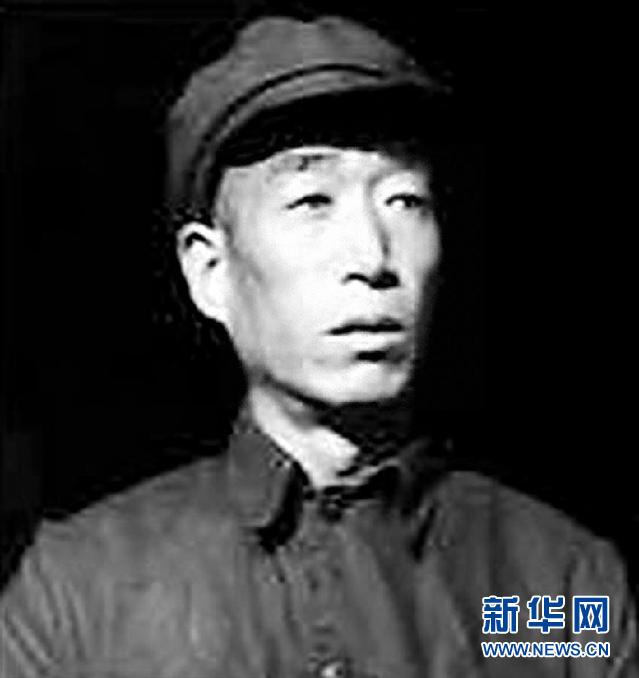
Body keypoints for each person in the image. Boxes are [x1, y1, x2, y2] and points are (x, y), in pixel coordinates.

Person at [0, 14, 636, 678]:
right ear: (211, 272)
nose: (372, 256)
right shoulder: (83, 594)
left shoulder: (554, 589)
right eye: (311, 200)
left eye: (404, 200)